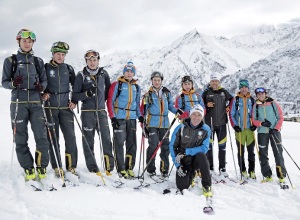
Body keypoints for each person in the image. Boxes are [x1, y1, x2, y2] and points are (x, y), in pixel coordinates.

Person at [1, 28, 49, 181]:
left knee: (41, 137)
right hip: (18, 103)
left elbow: (44, 80)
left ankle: (41, 167)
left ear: (33, 43)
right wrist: (13, 84)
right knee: (21, 137)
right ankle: (28, 168)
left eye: (30, 41)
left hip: (36, 103)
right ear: (18, 41)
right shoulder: (10, 60)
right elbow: (4, 82)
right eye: (24, 41)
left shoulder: (38, 61)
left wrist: (41, 87)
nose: (27, 44)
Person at [72, 50, 114, 176]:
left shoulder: (103, 73)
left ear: (98, 61)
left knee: (106, 139)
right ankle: (92, 168)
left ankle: (109, 167)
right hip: (87, 112)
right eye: (89, 60)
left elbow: (108, 90)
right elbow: (75, 95)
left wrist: (102, 101)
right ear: (86, 61)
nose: (92, 62)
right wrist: (87, 94)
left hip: (101, 112)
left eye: (94, 60)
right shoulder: (81, 75)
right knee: (88, 141)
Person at [42, 41, 78, 177]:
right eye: (58, 54)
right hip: (50, 107)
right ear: (53, 54)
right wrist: (42, 94)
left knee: (70, 137)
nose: (60, 57)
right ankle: (57, 166)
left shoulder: (68, 69)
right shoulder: (45, 68)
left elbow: (76, 87)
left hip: (65, 108)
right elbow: (40, 84)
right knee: (53, 138)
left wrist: (74, 101)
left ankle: (71, 166)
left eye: (63, 54)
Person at [140, 71, 183, 178]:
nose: (157, 82)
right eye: (155, 80)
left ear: (161, 81)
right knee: (153, 145)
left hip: (164, 123)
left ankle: (164, 170)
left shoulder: (166, 93)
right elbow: (143, 110)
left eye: (158, 80)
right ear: (152, 81)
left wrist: (177, 111)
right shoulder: (148, 94)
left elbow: (171, 106)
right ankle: (150, 169)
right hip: (152, 123)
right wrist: (143, 123)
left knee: (165, 147)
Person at [107, 61, 142, 179]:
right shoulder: (117, 85)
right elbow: (110, 101)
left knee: (132, 144)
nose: (129, 73)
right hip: (119, 118)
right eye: (127, 71)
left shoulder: (136, 87)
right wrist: (112, 117)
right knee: (119, 143)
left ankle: (129, 168)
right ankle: (121, 168)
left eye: (131, 71)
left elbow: (137, 104)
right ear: (124, 72)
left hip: (132, 118)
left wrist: (140, 116)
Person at [169, 104, 212, 197]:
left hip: (196, 159)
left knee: (202, 157)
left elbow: (204, 148)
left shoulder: (206, 129)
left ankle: (207, 185)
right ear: (190, 115)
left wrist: (186, 151)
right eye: (194, 114)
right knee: (182, 187)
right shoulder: (180, 128)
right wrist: (178, 165)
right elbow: (172, 146)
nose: (196, 117)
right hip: (184, 161)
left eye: (199, 115)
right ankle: (192, 174)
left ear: (202, 116)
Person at [251, 87, 287, 184]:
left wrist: (276, 128)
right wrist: (261, 123)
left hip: (274, 131)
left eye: (262, 93)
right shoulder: (256, 105)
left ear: (265, 94)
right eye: (258, 94)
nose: (260, 95)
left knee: (278, 153)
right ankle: (267, 175)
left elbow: (280, 116)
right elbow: (253, 120)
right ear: (257, 96)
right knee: (263, 154)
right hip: (262, 132)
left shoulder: (272, 103)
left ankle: (281, 175)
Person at [202, 73, 233, 176]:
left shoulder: (224, 92)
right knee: (209, 146)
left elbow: (232, 100)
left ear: (219, 82)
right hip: (209, 124)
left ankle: (222, 168)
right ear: (210, 83)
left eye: (216, 81)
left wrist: (229, 107)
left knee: (222, 146)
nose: (214, 83)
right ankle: (210, 167)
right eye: (212, 81)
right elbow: (200, 104)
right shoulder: (206, 92)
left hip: (222, 123)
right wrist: (206, 105)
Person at [229, 79, 256, 179]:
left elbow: (255, 114)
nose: (244, 89)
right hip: (239, 130)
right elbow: (231, 114)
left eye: (245, 87)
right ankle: (243, 170)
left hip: (250, 130)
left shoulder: (252, 100)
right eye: (242, 87)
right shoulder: (235, 100)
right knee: (241, 151)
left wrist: (255, 124)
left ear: (248, 88)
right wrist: (235, 125)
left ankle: (252, 170)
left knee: (251, 152)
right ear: (239, 88)